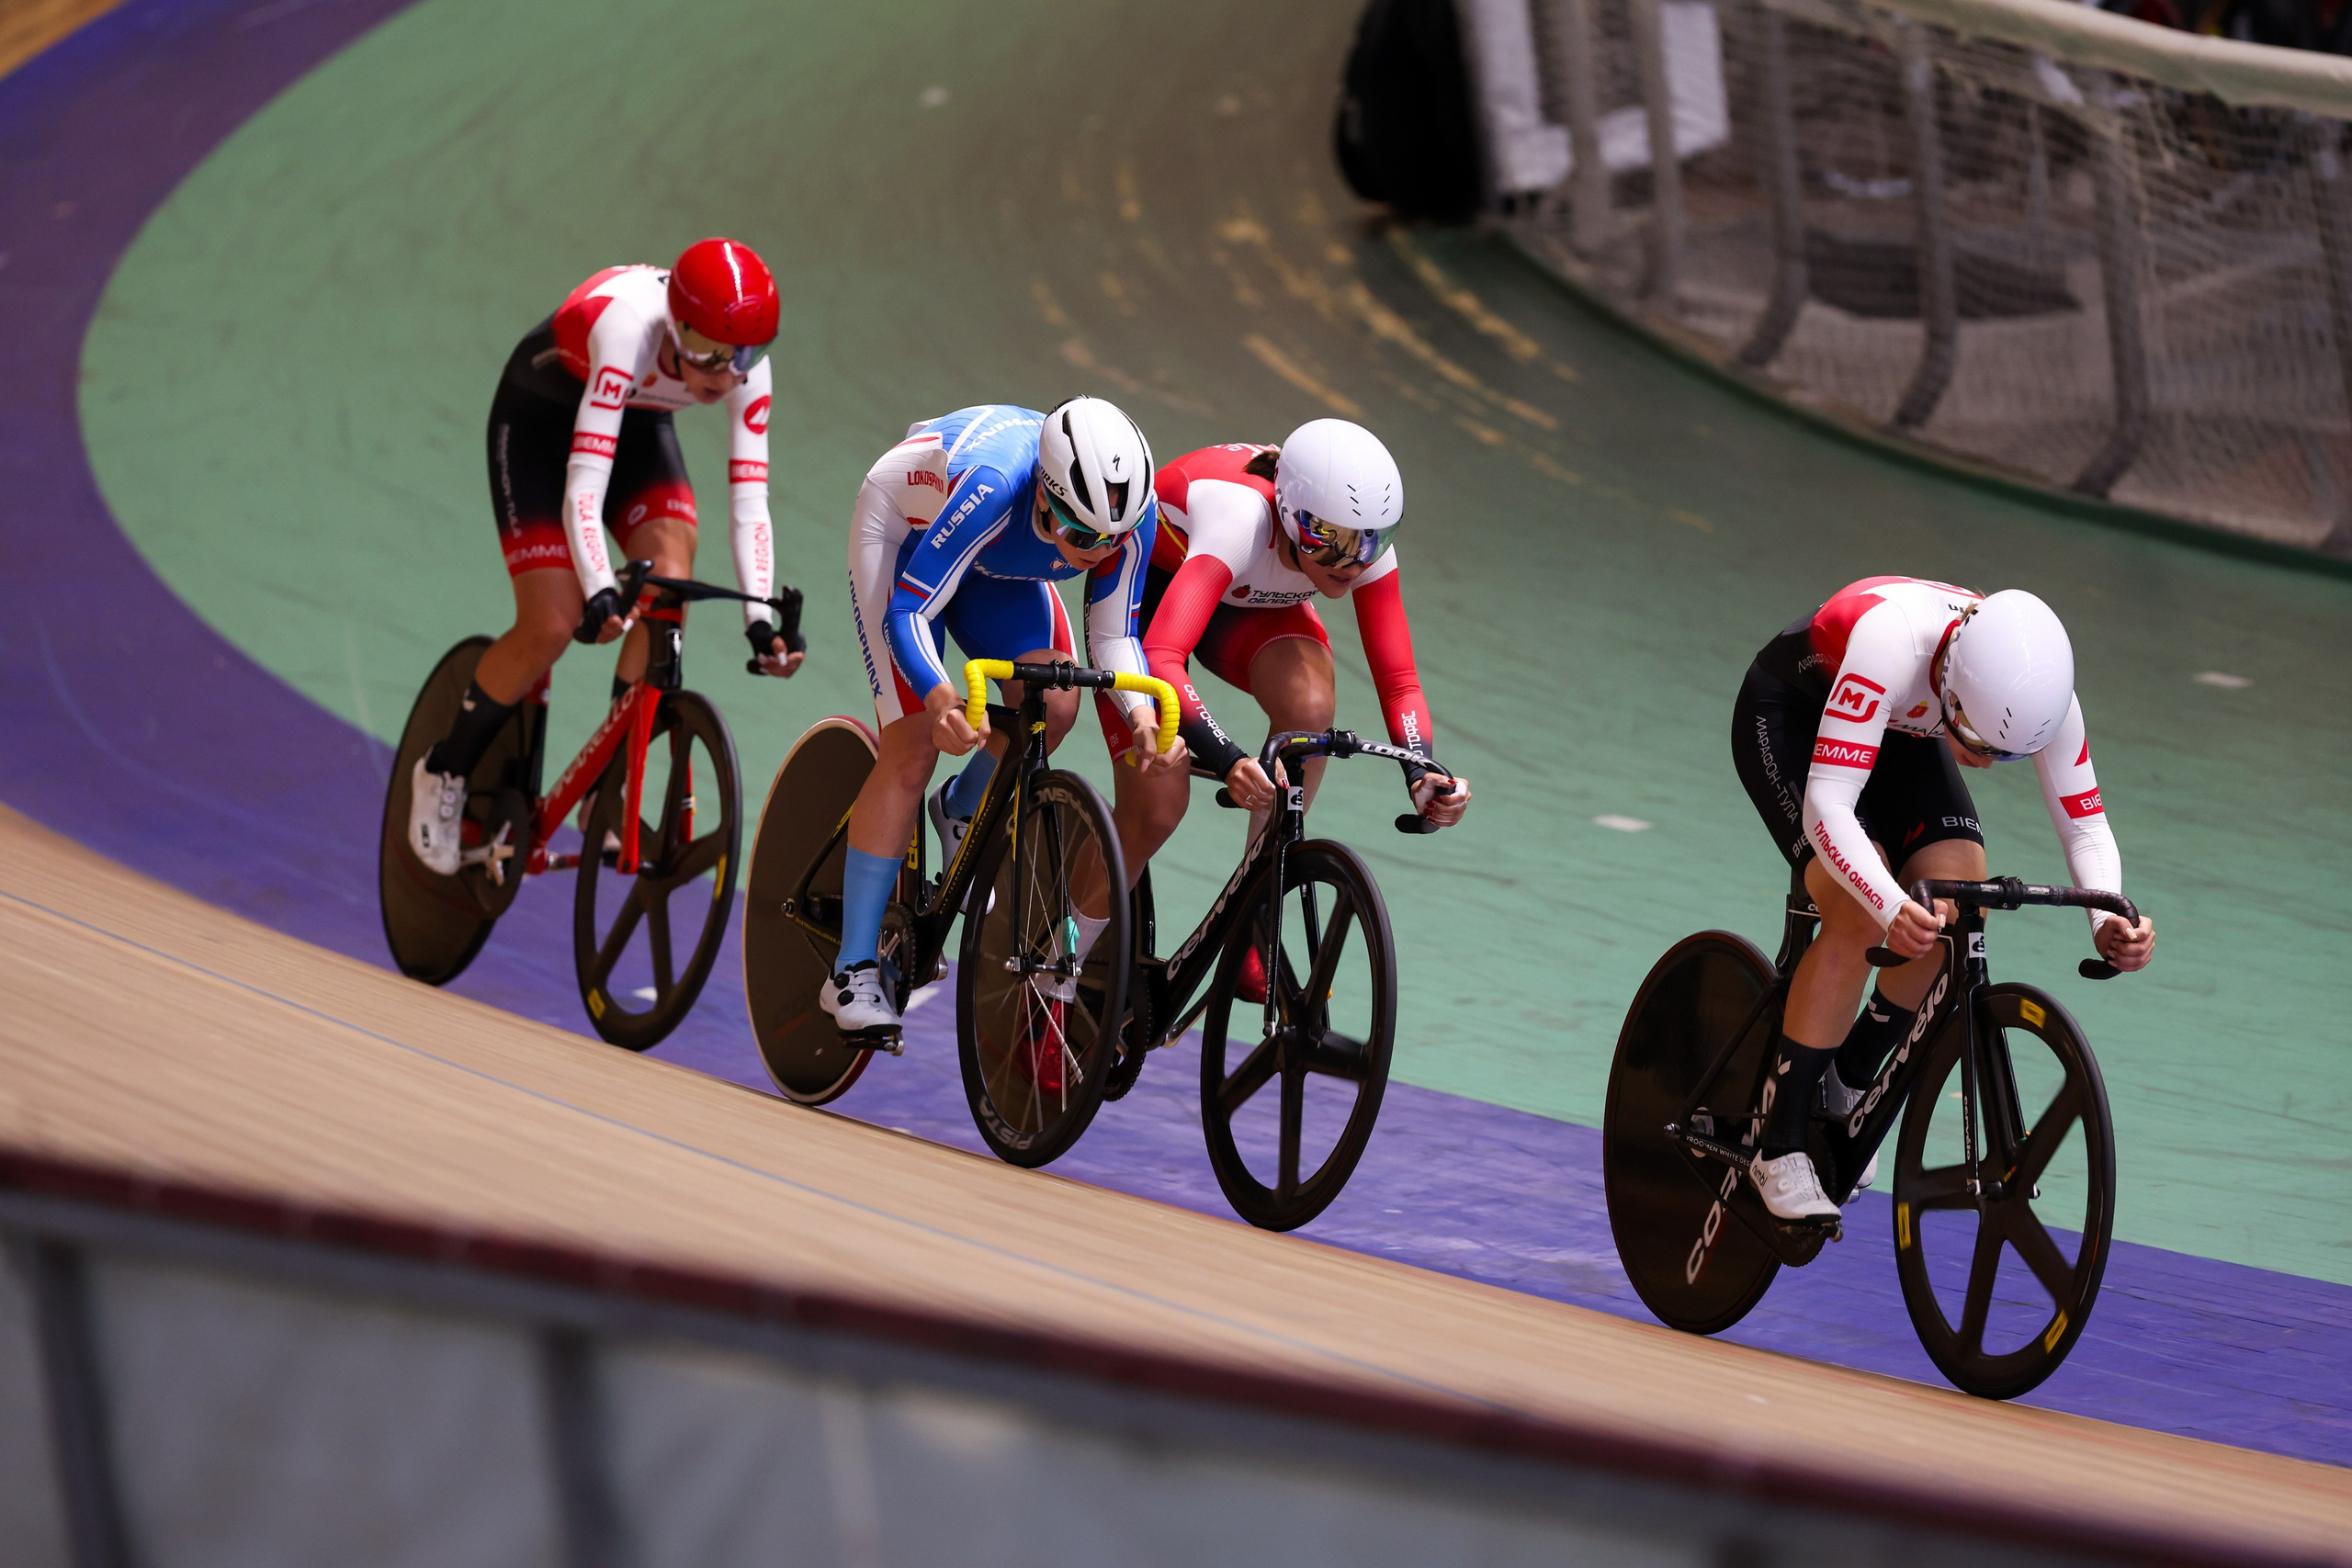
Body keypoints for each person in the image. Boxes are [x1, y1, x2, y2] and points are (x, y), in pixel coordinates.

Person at [1731, 577, 2156, 1222]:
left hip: (1908, 723)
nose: (1986, 764)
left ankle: (1845, 1084)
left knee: (1956, 903)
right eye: (1981, 744)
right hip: (1794, 711)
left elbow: (2086, 825)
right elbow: (1827, 807)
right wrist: (1884, 903)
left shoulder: (2040, 691)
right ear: (1954, 687)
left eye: (2008, 755)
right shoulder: (1889, 640)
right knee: (1855, 904)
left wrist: (2107, 915)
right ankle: (1780, 1143)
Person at [407, 238, 803, 874]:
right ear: (676, 325)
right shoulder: (626, 330)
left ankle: (604, 792)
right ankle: (443, 768)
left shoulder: (741, 368)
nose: (725, 373)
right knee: (553, 623)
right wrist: (598, 587)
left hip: (638, 425)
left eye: (743, 357)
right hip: (540, 422)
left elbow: (749, 503)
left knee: (669, 580)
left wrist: (760, 620)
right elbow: (582, 489)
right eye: (706, 353)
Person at [824, 397, 1190, 1039]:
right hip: (906, 536)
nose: (1097, 554)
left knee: (1057, 702)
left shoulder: (1131, 517)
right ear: (1044, 500)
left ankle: (961, 807)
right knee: (912, 745)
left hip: (997, 560)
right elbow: (907, 611)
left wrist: (1139, 714)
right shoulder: (995, 485)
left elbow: (1114, 640)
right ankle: (850, 971)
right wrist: (938, 697)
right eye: (1082, 538)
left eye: (1113, 543)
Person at [1088, 420, 1468, 994]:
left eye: (1371, 540)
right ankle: (1051, 976)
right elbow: (1164, 657)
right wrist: (1226, 756)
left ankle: (1253, 923)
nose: (1352, 561)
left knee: (1311, 709)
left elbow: (1399, 680)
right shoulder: (1239, 519)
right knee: (1159, 804)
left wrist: (1421, 771)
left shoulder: (1357, 546)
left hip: (1248, 601)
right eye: (1331, 540)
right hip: (1151, 603)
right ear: (1290, 516)